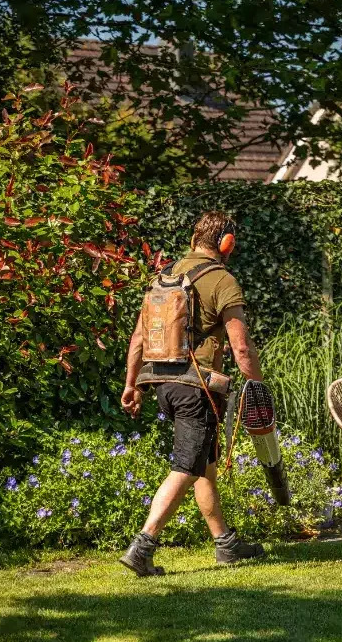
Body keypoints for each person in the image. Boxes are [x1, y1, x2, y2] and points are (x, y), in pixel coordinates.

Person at [119, 211, 266, 577]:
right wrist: (258, 386)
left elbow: (139, 337)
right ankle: (143, 545)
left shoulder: (165, 277)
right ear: (226, 243)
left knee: (204, 463)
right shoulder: (221, 279)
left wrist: (131, 385)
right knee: (186, 465)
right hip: (197, 388)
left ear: (193, 239)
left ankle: (226, 544)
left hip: (165, 386)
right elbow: (241, 347)